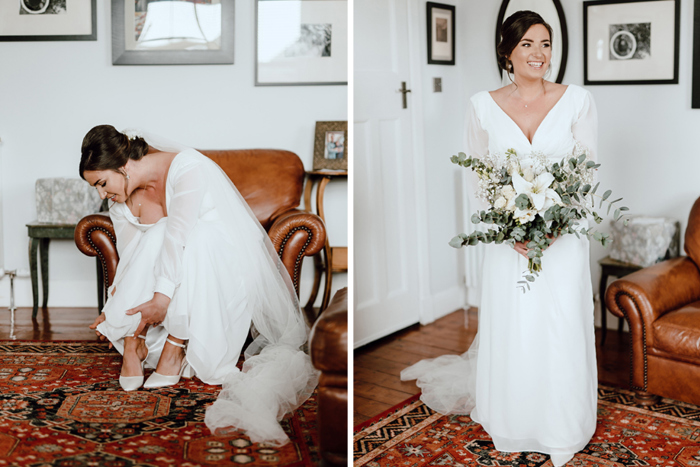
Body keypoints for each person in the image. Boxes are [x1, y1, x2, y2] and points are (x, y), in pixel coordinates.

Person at [401, 11, 598, 467]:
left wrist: (555, 228)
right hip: (509, 243)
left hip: (562, 241)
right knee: (514, 327)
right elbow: (477, 178)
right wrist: (511, 233)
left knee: (559, 325)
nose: (539, 54)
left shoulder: (579, 101)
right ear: (506, 51)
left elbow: (586, 175)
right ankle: (513, 421)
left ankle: (562, 425)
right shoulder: (481, 105)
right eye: (528, 44)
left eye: (546, 44)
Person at [79, 125, 318, 446]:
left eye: (102, 183)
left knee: (189, 234)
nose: (101, 194)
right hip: (173, 275)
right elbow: (131, 257)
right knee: (154, 240)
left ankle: (175, 343)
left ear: (123, 166)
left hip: (219, 270)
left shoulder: (188, 167)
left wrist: (162, 298)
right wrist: (115, 302)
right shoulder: (119, 199)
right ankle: (132, 337)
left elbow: (179, 233)